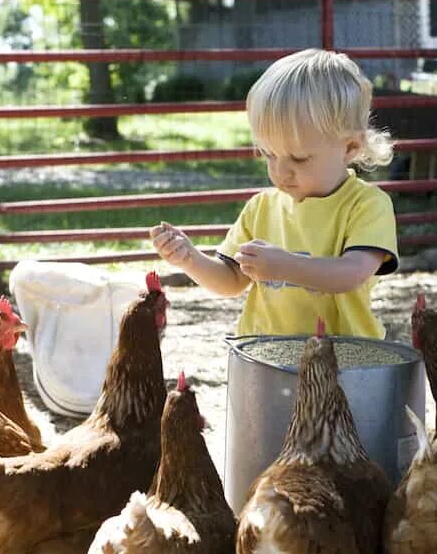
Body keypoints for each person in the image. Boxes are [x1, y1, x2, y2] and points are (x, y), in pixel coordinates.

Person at [150, 48, 399, 338]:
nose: (280, 172)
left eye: (299, 158)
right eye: (269, 154)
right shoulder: (261, 208)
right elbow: (231, 280)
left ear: (350, 148)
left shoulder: (367, 205)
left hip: (344, 360)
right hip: (267, 356)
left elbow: (350, 274)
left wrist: (286, 267)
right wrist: (189, 258)